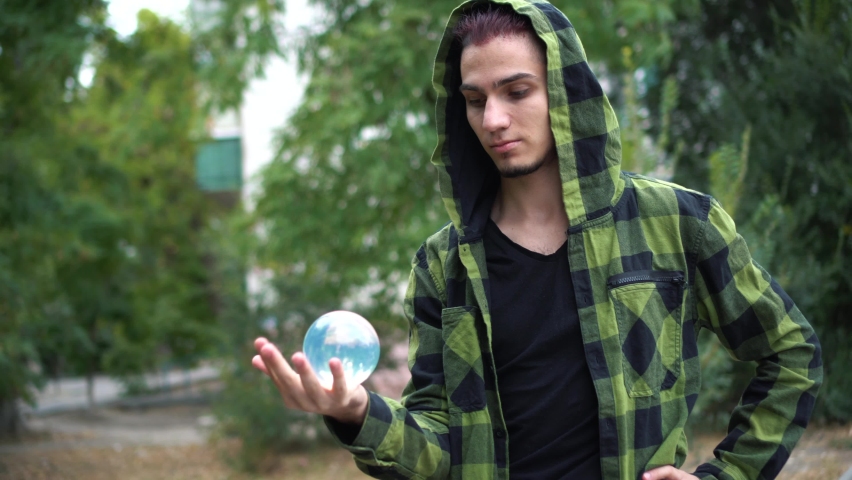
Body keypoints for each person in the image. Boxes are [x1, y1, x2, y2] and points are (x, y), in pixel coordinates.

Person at [251, 1, 823, 478]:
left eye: (517, 91)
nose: (493, 119)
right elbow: (437, 450)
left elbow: (790, 352)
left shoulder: (675, 221)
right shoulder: (443, 266)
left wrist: (728, 477)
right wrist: (356, 412)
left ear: (565, 94)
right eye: (475, 100)